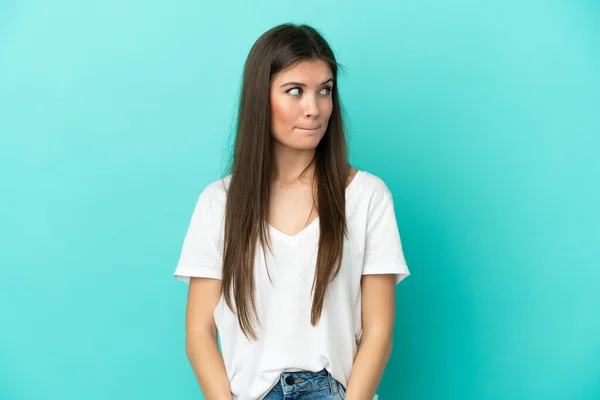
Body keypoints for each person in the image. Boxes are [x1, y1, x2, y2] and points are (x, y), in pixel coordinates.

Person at [173, 23, 410, 400]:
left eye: (325, 91)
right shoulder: (219, 203)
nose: (313, 109)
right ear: (260, 97)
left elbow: (379, 331)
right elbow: (199, 331)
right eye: (294, 91)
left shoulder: (366, 197)